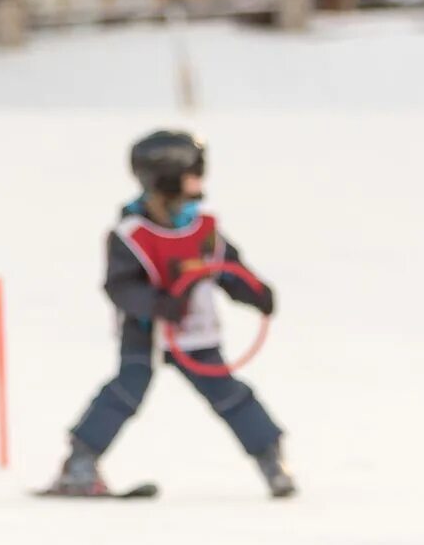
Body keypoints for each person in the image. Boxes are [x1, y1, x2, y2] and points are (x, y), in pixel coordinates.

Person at [45, 130, 296, 498]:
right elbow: (120, 286)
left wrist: (254, 292)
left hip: (196, 333)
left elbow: (228, 269)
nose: (201, 182)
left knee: (228, 393)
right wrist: (157, 303)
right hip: (146, 333)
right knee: (125, 391)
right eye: (193, 174)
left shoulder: (204, 230)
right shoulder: (131, 234)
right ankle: (80, 462)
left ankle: (271, 457)